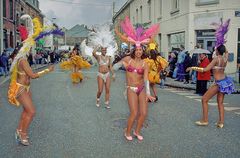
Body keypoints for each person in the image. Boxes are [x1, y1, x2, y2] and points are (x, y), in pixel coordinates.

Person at [114, 16, 158, 141]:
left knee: (143, 113)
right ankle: (127, 132)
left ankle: (136, 131)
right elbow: (115, 66)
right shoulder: (128, 59)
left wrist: (148, 93)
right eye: (137, 49)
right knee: (134, 113)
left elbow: (146, 79)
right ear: (134, 50)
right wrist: (118, 67)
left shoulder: (145, 63)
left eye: (140, 49)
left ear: (142, 51)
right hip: (131, 89)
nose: (138, 51)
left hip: (141, 88)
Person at [187, 19, 234, 128]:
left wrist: (192, 67)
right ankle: (221, 122)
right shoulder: (224, 59)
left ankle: (205, 120)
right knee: (220, 103)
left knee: (204, 99)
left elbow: (205, 70)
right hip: (224, 81)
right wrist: (221, 44)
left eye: (215, 48)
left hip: (218, 83)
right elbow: (225, 52)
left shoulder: (216, 59)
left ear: (217, 50)